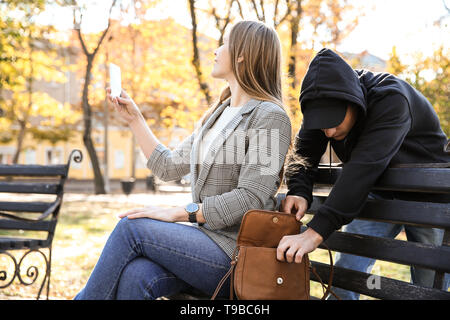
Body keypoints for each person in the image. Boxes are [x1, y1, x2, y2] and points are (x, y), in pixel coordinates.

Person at [74, 20, 292, 300]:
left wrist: (182, 212)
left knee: (131, 228)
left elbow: (251, 197)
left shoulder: (271, 117)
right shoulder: (216, 115)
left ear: (241, 54)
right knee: (136, 275)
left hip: (236, 253)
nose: (216, 50)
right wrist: (135, 120)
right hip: (202, 245)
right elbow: (168, 166)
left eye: (223, 43)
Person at [277, 48, 450, 299]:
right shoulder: (321, 110)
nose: (328, 131)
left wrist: (315, 232)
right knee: (346, 272)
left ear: (354, 101)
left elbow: (363, 168)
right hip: (377, 194)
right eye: (322, 124)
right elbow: (302, 156)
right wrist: (299, 190)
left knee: (427, 287)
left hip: (429, 198)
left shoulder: (392, 99)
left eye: (335, 121)